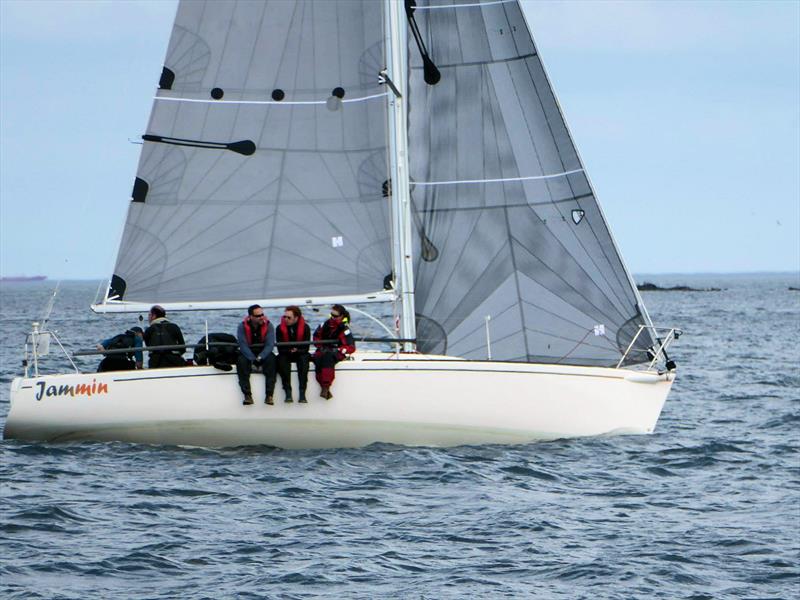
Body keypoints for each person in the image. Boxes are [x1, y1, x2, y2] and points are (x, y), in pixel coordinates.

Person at [236, 304, 277, 406]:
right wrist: (252, 359)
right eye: (258, 316)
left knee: (272, 361)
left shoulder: (269, 325)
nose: (261, 317)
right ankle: (247, 395)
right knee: (241, 362)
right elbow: (243, 345)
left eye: (262, 314)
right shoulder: (242, 327)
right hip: (249, 352)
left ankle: (269, 395)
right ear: (251, 317)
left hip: (263, 352)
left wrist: (260, 357)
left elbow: (270, 344)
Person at [312, 304, 355, 399]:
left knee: (328, 357)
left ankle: (326, 386)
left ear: (341, 316)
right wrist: (321, 346)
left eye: (335, 316)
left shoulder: (345, 329)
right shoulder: (325, 325)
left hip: (337, 352)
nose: (332, 318)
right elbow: (316, 337)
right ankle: (324, 387)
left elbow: (351, 347)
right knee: (318, 357)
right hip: (324, 350)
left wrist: (339, 349)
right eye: (331, 315)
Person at [276, 305, 311, 403]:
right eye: (285, 317)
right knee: (281, 360)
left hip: (300, 353)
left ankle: (302, 392)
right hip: (286, 353)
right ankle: (288, 391)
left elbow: (306, 348)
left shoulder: (305, 328)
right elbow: (280, 348)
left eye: (289, 317)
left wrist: (297, 350)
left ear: (296, 318)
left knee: (304, 360)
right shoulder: (279, 328)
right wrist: (289, 351)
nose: (286, 319)